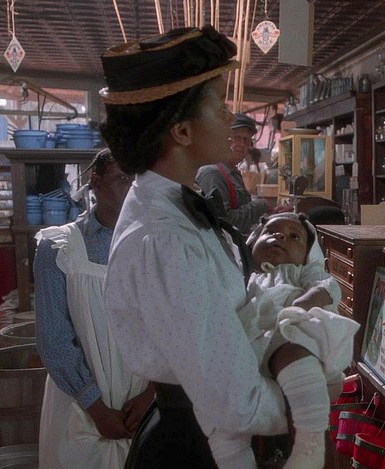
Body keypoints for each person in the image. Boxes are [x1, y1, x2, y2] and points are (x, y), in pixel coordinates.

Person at [99, 26, 339, 468]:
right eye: (218, 105)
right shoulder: (166, 239)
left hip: (199, 426)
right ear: (182, 131)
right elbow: (236, 404)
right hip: (192, 445)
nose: (231, 118)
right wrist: (314, 400)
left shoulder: (175, 207)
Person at [34, 149, 154, 468]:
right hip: (82, 405)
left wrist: (151, 395)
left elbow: (177, 330)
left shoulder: (160, 244)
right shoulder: (60, 249)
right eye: (122, 178)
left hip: (143, 401)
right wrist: (96, 409)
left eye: (139, 180)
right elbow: (54, 339)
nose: (133, 188)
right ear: (96, 182)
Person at [240, 212, 358, 468]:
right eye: (271, 232)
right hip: (252, 341)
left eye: (294, 237)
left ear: (308, 254)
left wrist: (300, 305)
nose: (280, 237)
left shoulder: (300, 272)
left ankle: (310, 449)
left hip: (289, 331)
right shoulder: (245, 275)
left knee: (296, 360)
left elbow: (326, 288)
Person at [196, 112, 289, 234]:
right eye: (236, 138)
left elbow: (242, 217)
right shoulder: (212, 173)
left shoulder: (233, 172)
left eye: (246, 140)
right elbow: (224, 223)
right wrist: (262, 205)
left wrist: (270, 215)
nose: (242, 144)